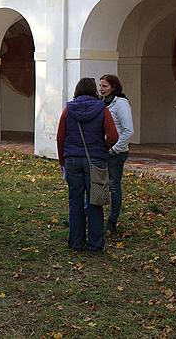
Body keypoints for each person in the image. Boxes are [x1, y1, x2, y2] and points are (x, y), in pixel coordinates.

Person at [56, 78, 118, 252]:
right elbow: (113, 136)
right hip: (95, 160)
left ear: (77, 90)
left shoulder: (68, 109)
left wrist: (63, 162)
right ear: (94, 91)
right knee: (95, 200)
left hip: (73, 160)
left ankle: (76, 242)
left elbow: (60, 137)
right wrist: (102, 148)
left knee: (75, 201)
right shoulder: (102, 109)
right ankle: (95, 243)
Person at [99, 74, 134, 234]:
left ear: (113, 87)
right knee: (97, 184)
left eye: (105, 86)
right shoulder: (102, 103)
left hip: (116, 152)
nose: (101, 89)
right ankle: (88, 216)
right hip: (103, 150)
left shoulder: (120, 104)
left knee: (114, 186)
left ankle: (112, 222)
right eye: (100, 86)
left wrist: (114, 149)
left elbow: (127, 131)